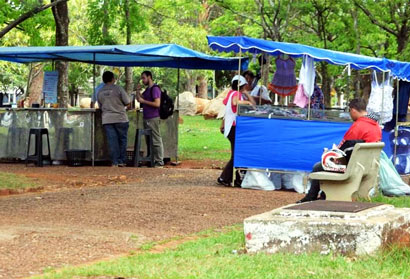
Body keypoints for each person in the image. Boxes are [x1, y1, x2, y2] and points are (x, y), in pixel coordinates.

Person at [297, 98, 382, 203]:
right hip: (367, 165)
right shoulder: (376, 125)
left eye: (349, 111)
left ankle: (312, 197)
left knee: (319, 166)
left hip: (353, 166)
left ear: (353, 110)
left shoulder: (358, 126)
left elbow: (342, 150)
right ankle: (324, 195)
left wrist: (331, 152)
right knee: (327, 164)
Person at [217, 75, 256, 186]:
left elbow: (227, 108)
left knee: (237, 153)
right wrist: (247, 102)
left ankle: (236, 178)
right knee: (236, 154)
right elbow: (235, 103)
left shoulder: (230, 93)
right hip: (233, 126)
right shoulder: (236, 94)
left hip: (230, 126)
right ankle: (224, 177)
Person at [97, 71, 131, 167]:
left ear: (103, 80)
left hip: (107, 119)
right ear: (113, 79)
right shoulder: (118, 89)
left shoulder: (100, 92)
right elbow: (128, 102)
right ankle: (122, 161)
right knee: (122, 140)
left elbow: (100, 106)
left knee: (112, 141)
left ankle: (114, 162)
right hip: (120, 118)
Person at [136, 70, 164, 168]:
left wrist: (144, 101)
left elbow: (157, 104)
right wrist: (138, 91)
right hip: (146, 117)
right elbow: (140, 98)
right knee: (149, 140)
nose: (142, 80)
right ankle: (151, 159)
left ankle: (159, 161)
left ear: (149, 77)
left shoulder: (155, 89)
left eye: (144, 78)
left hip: (153, 117)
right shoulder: (148, 89)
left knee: (156, 139)